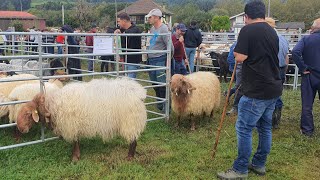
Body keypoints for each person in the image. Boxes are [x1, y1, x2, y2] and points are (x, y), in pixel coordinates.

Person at [217, 1, 282, 179]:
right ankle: (259, 164)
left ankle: (240, 169)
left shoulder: (247, 30)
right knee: (264, 127)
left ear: (246, 16)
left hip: (256, 90)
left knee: (244, 128)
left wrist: (237, 53)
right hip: (273, 87)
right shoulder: (272, 31)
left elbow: (240, 57)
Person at [292, 18, 320, 137]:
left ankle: (307, 131)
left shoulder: (306, 39)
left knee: (307, 105)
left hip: (310, 75)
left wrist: (303, 68)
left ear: (313, 28)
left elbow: (295, 52)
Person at [265, 17, 290, 129]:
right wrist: (284, 71)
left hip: (268, 69)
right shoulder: (283, 39)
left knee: (265, 94)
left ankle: (266, 120)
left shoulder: (266, 39)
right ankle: (276, 120)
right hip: (280, 69)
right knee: (277, 94)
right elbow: (286, 57)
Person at [146, 8, 170, 111]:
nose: (148, 19)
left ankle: (166, 105)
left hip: (160, 59)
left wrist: (168, 59)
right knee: (154, 83)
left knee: (162, 83)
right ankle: (160, 102)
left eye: (150, 17)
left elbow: (169, 45)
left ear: (156, 17)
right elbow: (152, 42)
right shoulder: (152, 29)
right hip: (151, 59)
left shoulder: (164, 29)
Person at [114, 12, 142, 78]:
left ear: (124, 21)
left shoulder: (135, 29)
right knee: (126, 78)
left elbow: (131, 32)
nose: (118, 23)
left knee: (131, 80)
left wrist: (121, 33)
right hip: (126, 59)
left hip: (132, 60)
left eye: (119, 21)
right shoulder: (125, 30)